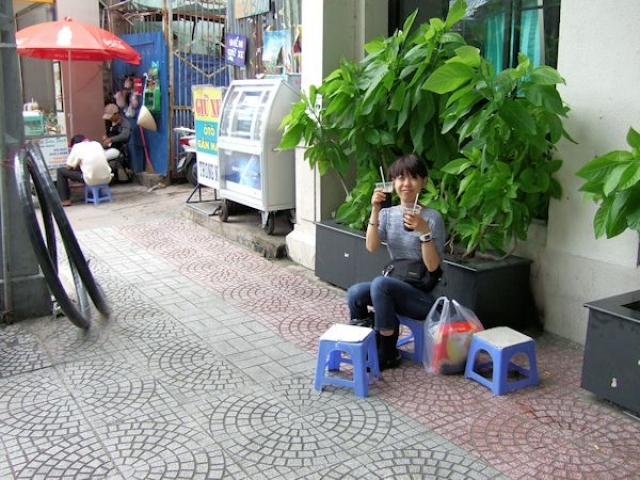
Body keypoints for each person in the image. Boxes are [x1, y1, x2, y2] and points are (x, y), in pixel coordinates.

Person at [346, 154, 446, 370]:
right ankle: (369, 341)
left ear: (423, 182)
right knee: (355, 292)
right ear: (393, 183)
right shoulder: (388, 214)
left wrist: (424, 232)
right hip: (396, 284)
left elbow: (432, 267)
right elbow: (371, 246)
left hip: (424, 297)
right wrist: (375, 209)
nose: (406, 184)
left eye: (412, 178)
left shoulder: (432, 218)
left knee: (380, 284)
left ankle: (388, 350)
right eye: (400, 178)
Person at [56, 134, 113, 206]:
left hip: (91, 179)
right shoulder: (96, 144)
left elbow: (69, 167)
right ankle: (97, 193)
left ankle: (64, 200)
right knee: (90, 169)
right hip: (107, 177)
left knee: (61, 171)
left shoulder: (77, 147)